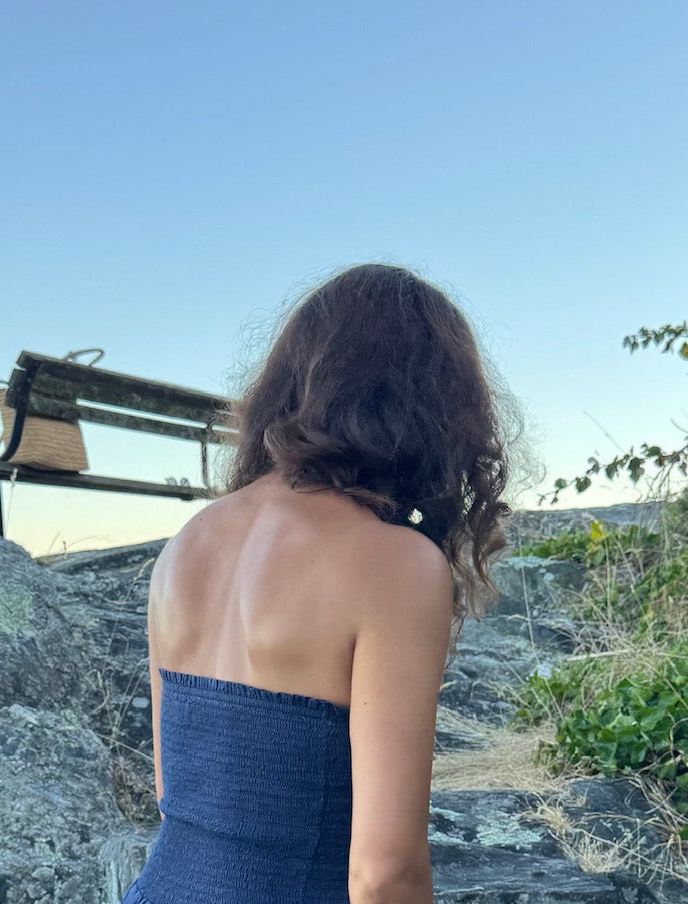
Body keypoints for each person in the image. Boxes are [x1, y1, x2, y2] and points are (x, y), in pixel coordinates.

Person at [119, 263, 521, 904]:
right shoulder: (395, 563)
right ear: (437, 408)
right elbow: (384, 873)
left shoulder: (189, 542)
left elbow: (179, 798)